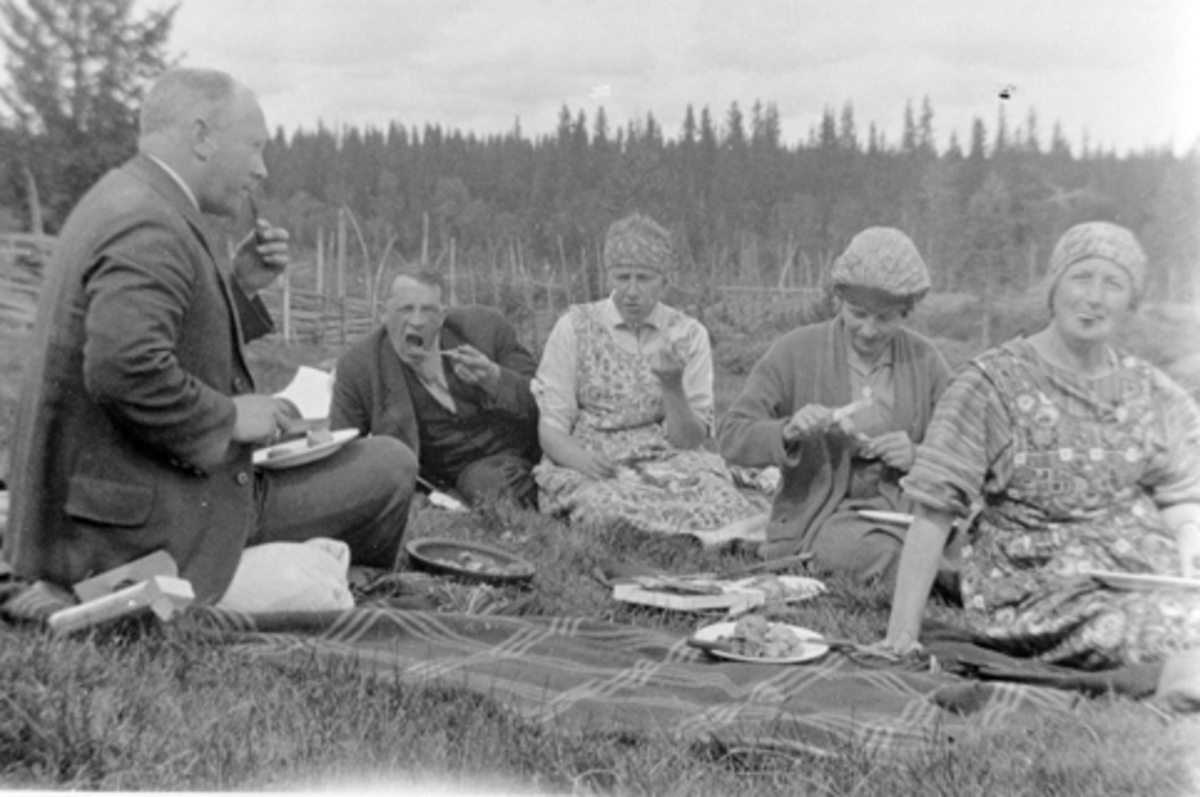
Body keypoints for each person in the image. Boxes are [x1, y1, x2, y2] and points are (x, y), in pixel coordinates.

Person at [3, 68, 417, 605]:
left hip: (109, 499)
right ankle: (352, 587)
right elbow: (123, 367)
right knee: (388, 465)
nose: (261, 169)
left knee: (356, 461)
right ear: (201, 136)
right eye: (253, 147)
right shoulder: (149, 225)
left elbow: (156, 343)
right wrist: (232, 418)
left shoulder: (126, 197)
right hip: (133, 528)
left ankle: (322, 571)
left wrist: (239, 288)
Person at [879, 221, 1200, 668]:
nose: (1094, 296)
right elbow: (934, 508)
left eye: (1113, 283)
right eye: (1081, 277)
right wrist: (901, 634)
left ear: (1132, 300)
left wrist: (1190, 534)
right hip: (1035, 589)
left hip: (1143, 573)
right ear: (1053, 288)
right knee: (1176, 627)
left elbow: (1182, 492)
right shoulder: (990, 384)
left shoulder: (1151, 391)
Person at [718, 227, 951, 581]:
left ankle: (935, 569)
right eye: (857, 313)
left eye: (885, 317)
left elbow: (965, 451)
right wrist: (788, 431)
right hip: (824, 517)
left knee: (963, 538)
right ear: (838, 299)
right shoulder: (795, 351)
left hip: (904, 509)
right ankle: (945, 577)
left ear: (906, 312)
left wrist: (918, 456)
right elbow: (731, 437)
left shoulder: (925, 360)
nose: (869, 330)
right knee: (865, 551)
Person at [533, 213, 761, 539]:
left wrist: (672, 386)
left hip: (667, 460)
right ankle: (704, 537)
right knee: (603, 507)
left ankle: (701, 536)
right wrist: (584, 462)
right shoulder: (574, 327)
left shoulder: (687, 334)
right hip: (597, 461)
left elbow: (689, 440)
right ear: (608, 275)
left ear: (664, 280)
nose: (632, 291)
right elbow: (552, 429)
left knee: (720, 496)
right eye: (622, 277)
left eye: (644, 278)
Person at [330, 269, 541, 508]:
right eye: (406, 309)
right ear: (383, 313)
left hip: (531, 451)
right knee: (486, 483)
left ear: (441, 316)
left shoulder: (485, 328)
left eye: (428, 310)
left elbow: (546, 399)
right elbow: (342, 448)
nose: (417, 321)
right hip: (471, 477)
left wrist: (494, 378)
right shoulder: (360, 366)